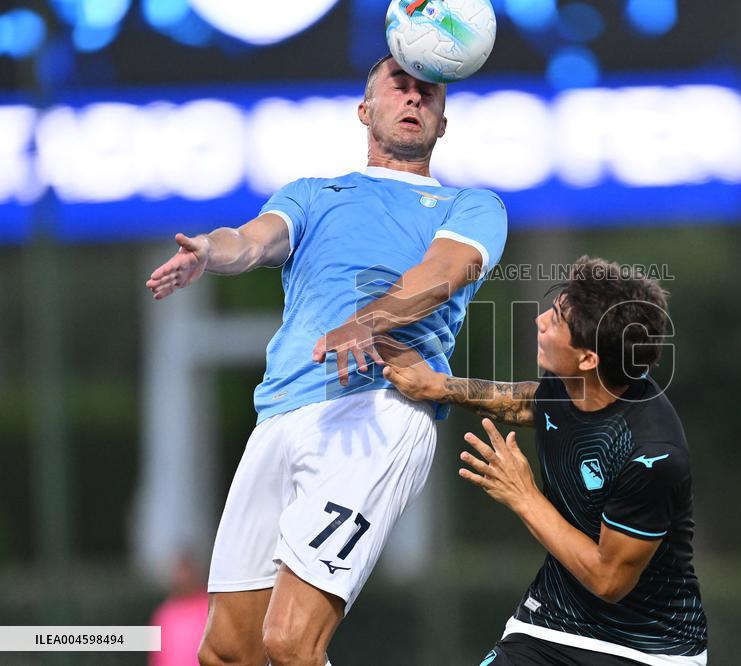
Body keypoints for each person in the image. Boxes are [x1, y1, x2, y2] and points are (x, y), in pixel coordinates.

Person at [145, 54, 507, 666]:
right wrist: (209, 248)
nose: (415, 98)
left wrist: (367, 321)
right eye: (401, 86)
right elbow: (252, 239)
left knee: (291, 641)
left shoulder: (471, 207)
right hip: (280, 414)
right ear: (366, 111)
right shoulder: (313, 194)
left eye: (429, 93)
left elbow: (444, 273)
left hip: (374, 412)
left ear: (444, 123)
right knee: (227, 652)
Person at [384, 257, 709, 665]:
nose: (540, 321)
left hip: (648, 648)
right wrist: (438, 386)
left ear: (589, 358)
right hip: (550, 623)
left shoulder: (652, 456)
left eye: (556, 320)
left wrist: (524, 496)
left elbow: (608, 579)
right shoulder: (572, 382)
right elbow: (530, 402)